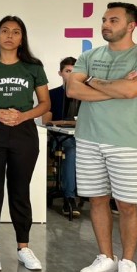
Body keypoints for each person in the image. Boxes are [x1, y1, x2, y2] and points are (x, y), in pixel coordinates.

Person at [68, 2, 137, 272]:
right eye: (104, 19)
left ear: (131, 25)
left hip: (126, 141)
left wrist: (93, 82)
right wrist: (115, 86)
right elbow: (73, 89)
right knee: (96, 199)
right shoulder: (89, 56)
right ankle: (106, 257)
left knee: (127, 205)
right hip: (88, 138)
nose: (106, 24)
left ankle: (128, 262)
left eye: (114, 20)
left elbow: (132, 90)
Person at [0, 16, 50, 272]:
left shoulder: (33, 67)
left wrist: (23, 116)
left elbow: (45, 103)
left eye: (16, 32)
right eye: (4, 31)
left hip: (23, 131)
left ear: (22, 38)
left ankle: (23, 247)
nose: (9, 36)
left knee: (20, 190)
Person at [42, 56, 81, 218]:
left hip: (85, 138)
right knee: (72, 148)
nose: (71, 75)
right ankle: (69, 198)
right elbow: (46, 121)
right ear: (60, 73)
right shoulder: (52, 94)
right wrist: (68, 122)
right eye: (68, 71)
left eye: (75, 71)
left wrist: (69, 122)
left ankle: (109, 199)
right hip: (60, 139)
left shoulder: (86, 95)